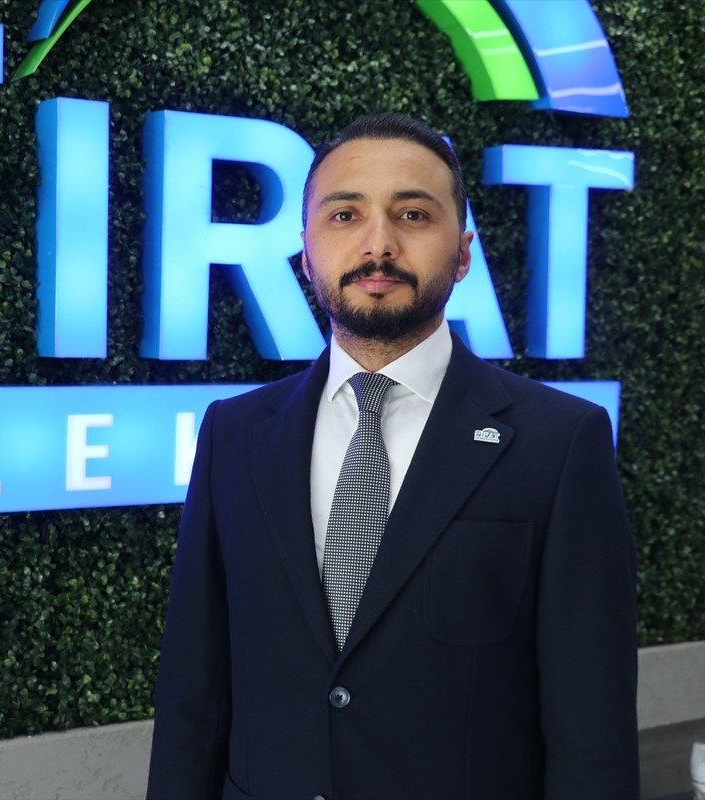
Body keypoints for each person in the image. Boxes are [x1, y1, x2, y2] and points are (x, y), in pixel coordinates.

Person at [147, 112, 640, 799]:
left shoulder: (560, 442)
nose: (378, 244)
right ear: (306, 251)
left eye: (413, 215)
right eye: (344, 215)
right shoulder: (235, 433)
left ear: (462, 253)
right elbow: (193, 695)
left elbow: (592, 728)